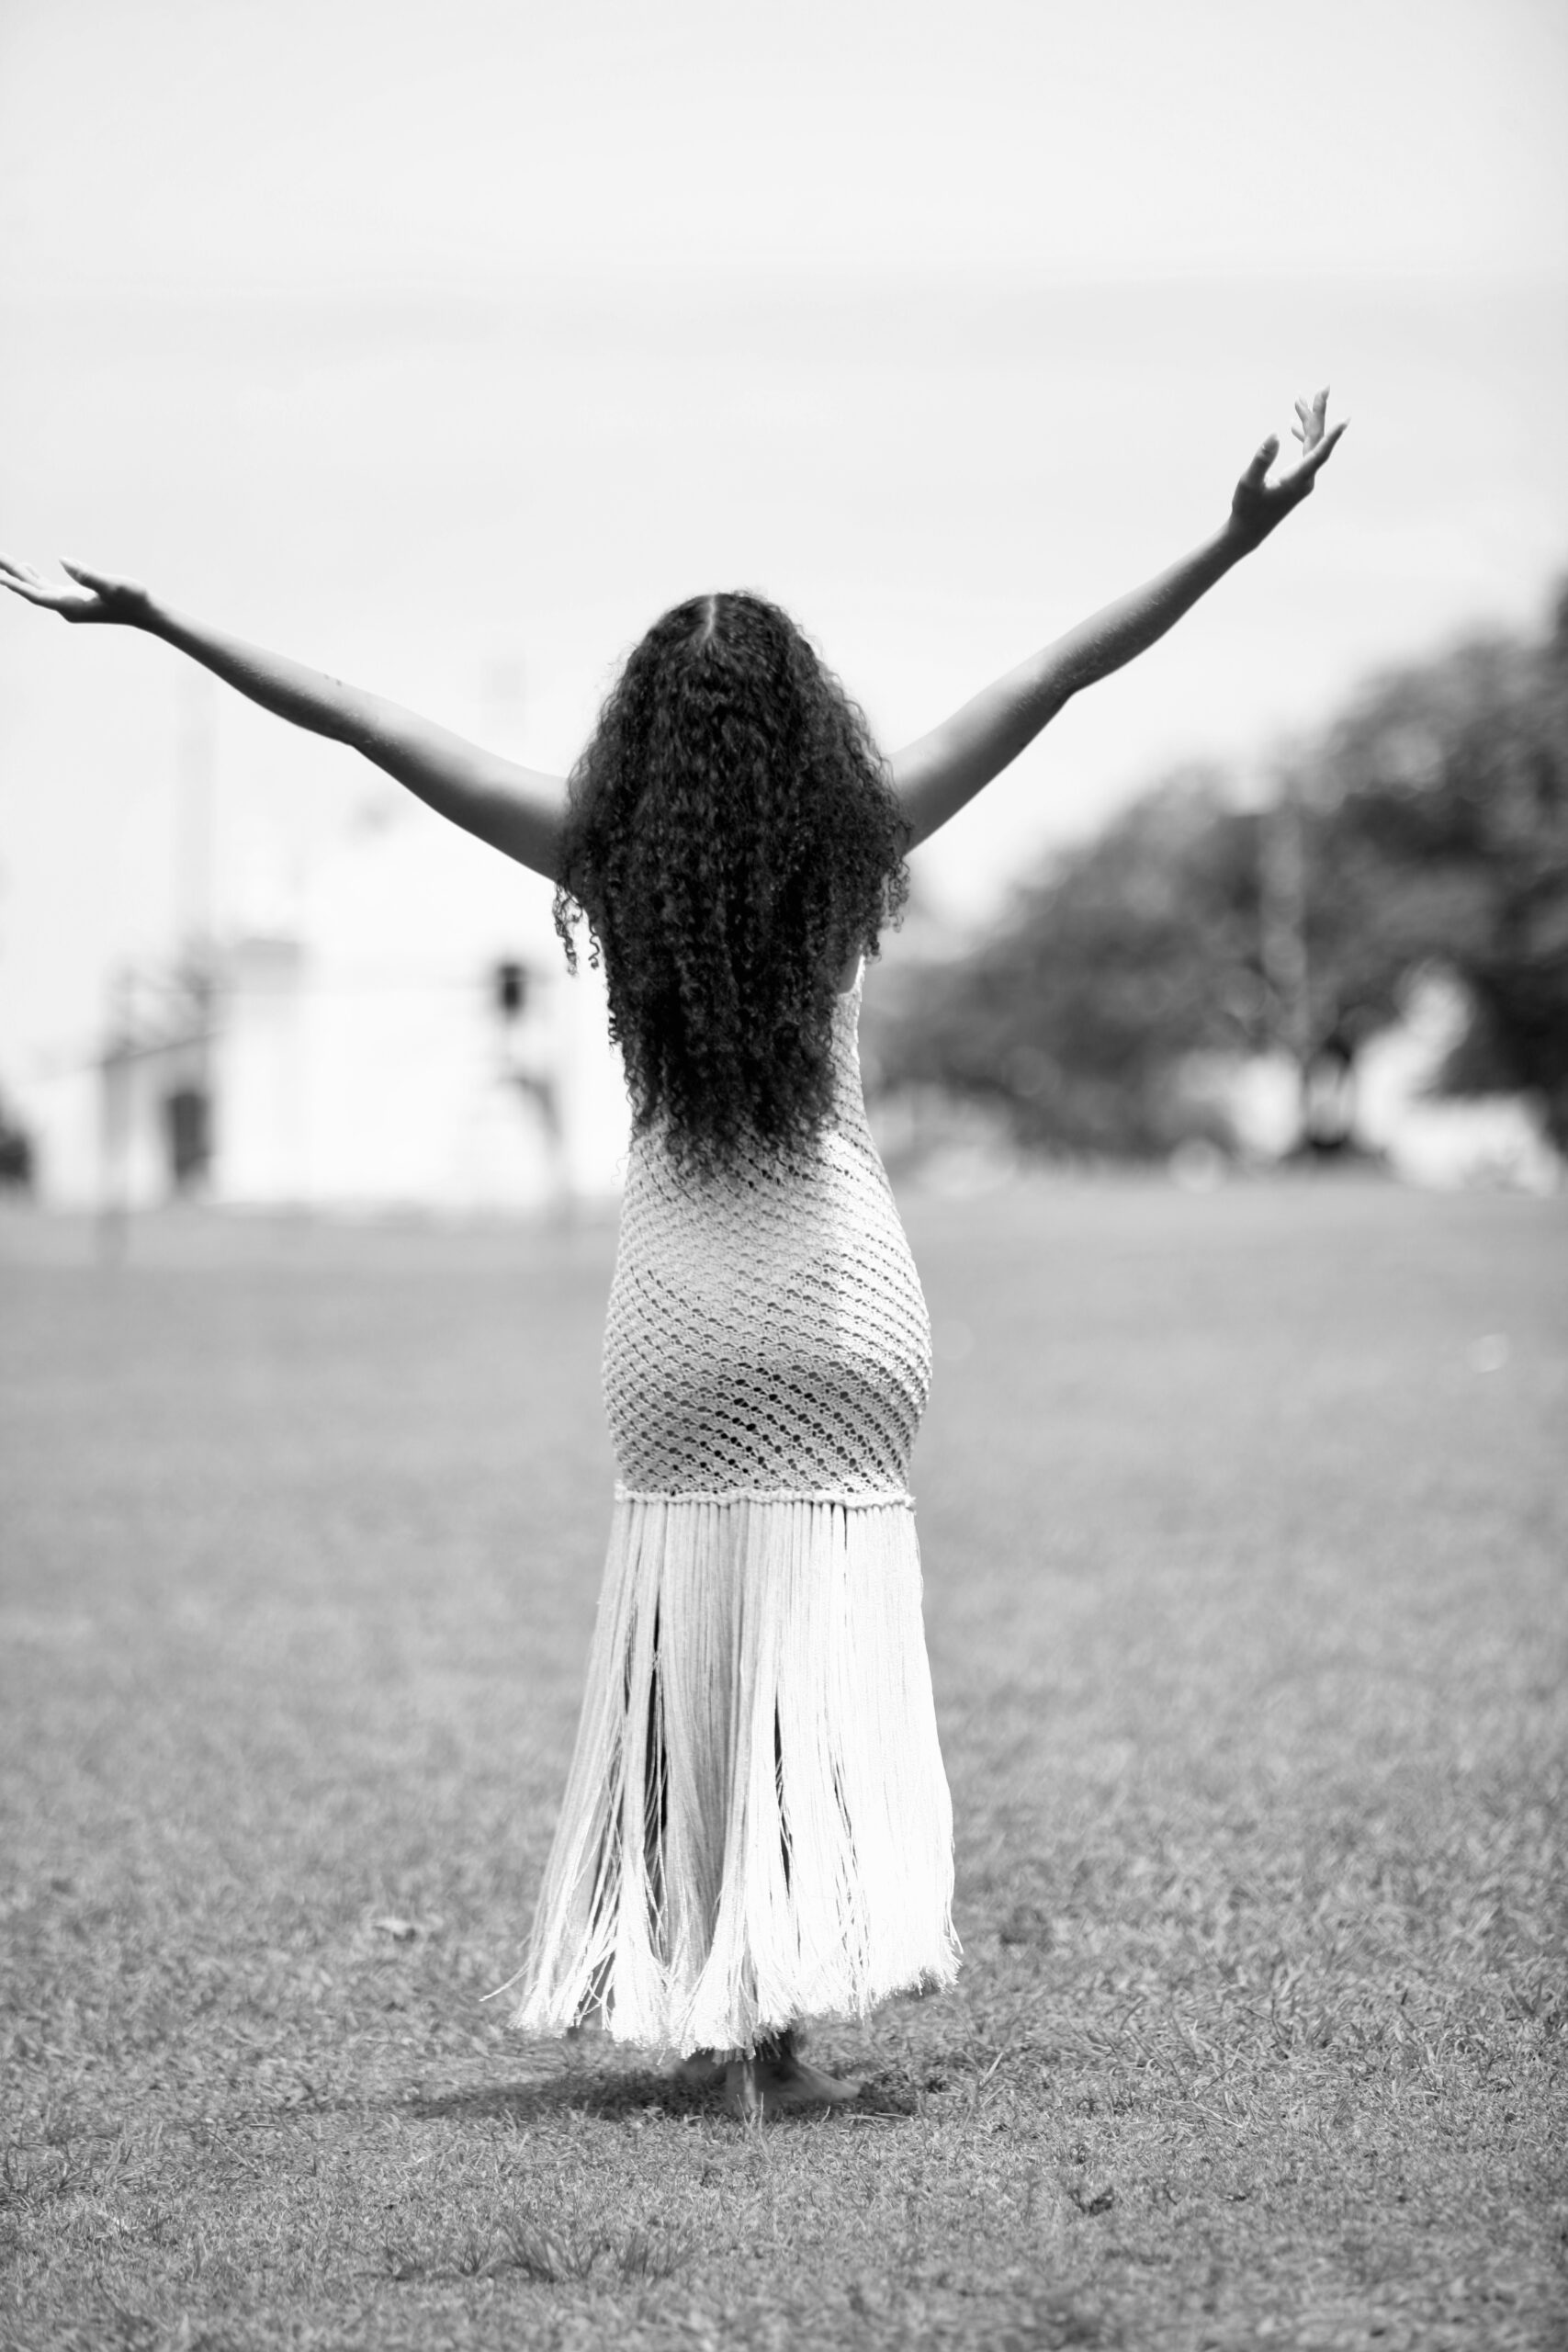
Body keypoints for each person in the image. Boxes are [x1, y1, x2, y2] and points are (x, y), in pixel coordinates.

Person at [0, 389, 1347, 2118]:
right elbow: (1060, 674)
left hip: (682, 1322)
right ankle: (788, 2013)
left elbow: (363, 724)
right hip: (846, 1307)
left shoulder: (596, 853)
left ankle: (722, 2017)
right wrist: (1234, 540)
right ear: (805, 730)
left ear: (644, 739)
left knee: (691, 1652)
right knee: (814, 1646)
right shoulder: (861, 838)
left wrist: (166, 622)